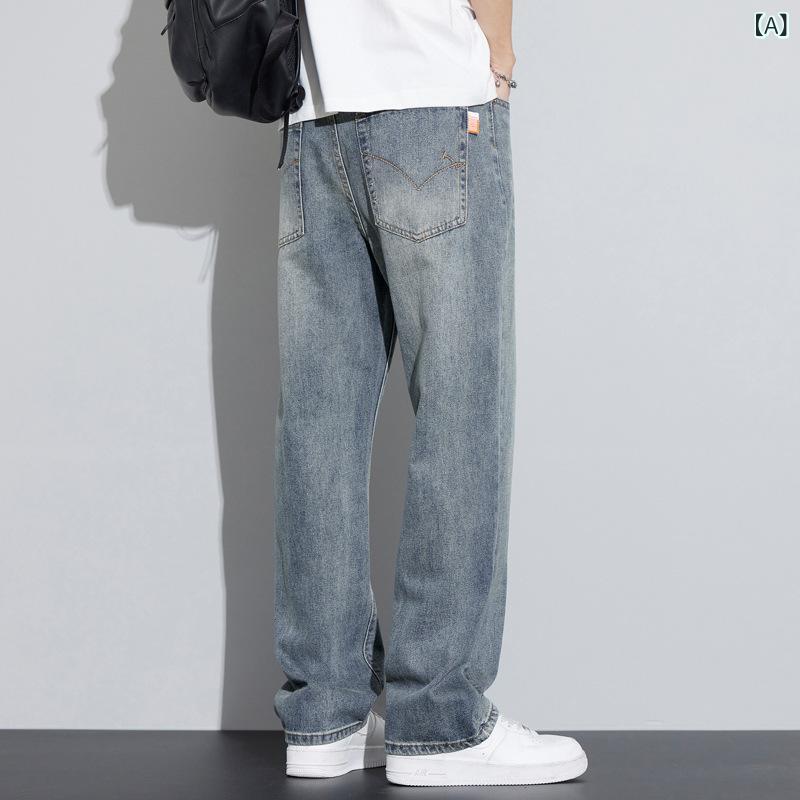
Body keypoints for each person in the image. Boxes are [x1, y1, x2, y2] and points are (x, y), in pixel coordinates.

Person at [273, 0, 587, 787]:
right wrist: (500, 55)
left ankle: (324, 716)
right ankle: (440, 723)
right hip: (431, 97)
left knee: (317, 431)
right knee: (460, 414)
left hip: (312, 116)